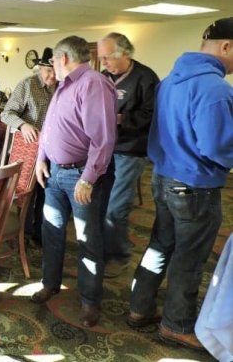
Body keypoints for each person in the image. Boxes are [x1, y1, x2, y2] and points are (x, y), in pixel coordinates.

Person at [128, 18, 233, 349]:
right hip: (195, 186)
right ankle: (176, 325)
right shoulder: (215, 89)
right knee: (189, 258)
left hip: (163, 177)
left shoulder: (170, 80)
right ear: (227, 46)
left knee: (160, 245)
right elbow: (216, 146)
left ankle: (139, 308)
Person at [32, 35, 117, 328]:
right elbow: (49, 127)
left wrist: (88, 179)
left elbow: (103, 139)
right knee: (51, 231)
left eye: (53, 60)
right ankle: (50, 283)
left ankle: (90, 300)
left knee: (87, 239)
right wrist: (41, 158)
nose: (52, 65)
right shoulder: (63, 85)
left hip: (81, 176)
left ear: (64, 58)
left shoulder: (93, 83)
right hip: (54, 173)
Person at [98, 33, 160, 278]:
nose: (103, 63)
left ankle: (118, 256)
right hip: (104, 149)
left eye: (107, 58)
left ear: (125, 53)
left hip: (130, 150)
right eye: (101, 58)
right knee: (100, 204)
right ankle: (104, 249)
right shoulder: (103, 77)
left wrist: (122, 119)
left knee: (116, 208)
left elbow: (153, 115)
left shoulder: (145, 78)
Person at [1, 47, 57, 245]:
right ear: (40, 68)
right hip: (28, 149)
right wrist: (23, 125)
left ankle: (40, 234)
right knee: (27, 194)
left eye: (55, 71)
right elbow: (6, 114)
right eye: (48, 71)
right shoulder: (27, 85)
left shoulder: (61, 87)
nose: (52, 76)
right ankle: (22, 233)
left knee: (46, 191)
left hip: (52, 149)